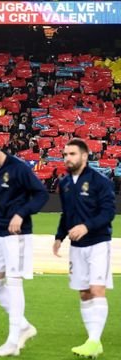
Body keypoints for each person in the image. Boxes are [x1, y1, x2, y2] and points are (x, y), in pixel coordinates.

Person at [0, 138, 48, 357]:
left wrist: (21, 213)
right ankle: (24, 327)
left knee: (14, 283)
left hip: (18, 234)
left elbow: (41, 194)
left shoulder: (18, 168)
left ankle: (13, 341)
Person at [53, 139, 114, 358]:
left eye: (72, 154)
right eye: (65, 154)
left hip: (98, 243)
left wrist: (86, 226)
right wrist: (59, 236)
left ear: (85, 156)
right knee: (84, 292)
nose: (67, 158)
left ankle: (94, 341)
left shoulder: (100, 181)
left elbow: (108, 212)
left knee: (97, 288)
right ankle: (92, 339)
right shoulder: (65, 183)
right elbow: (66, 213)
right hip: (76, 247)